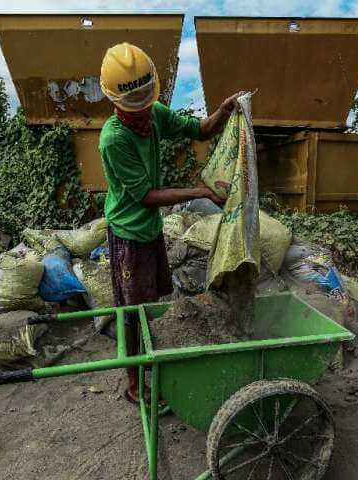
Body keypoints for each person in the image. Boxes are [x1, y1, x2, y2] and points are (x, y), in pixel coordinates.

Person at [99, 42, 242, 405]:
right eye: (135, 112)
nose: (144, 117)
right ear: (116, 104)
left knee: (154, 301)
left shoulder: (155, 113)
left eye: (146, 107)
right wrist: (200, 192)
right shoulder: (114, 139)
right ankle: (134, 382)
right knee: (134, 312)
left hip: (149, 230)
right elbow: (146, 195)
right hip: (129, 234)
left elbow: (201, 130)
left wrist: (224, 110)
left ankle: (155, 363)